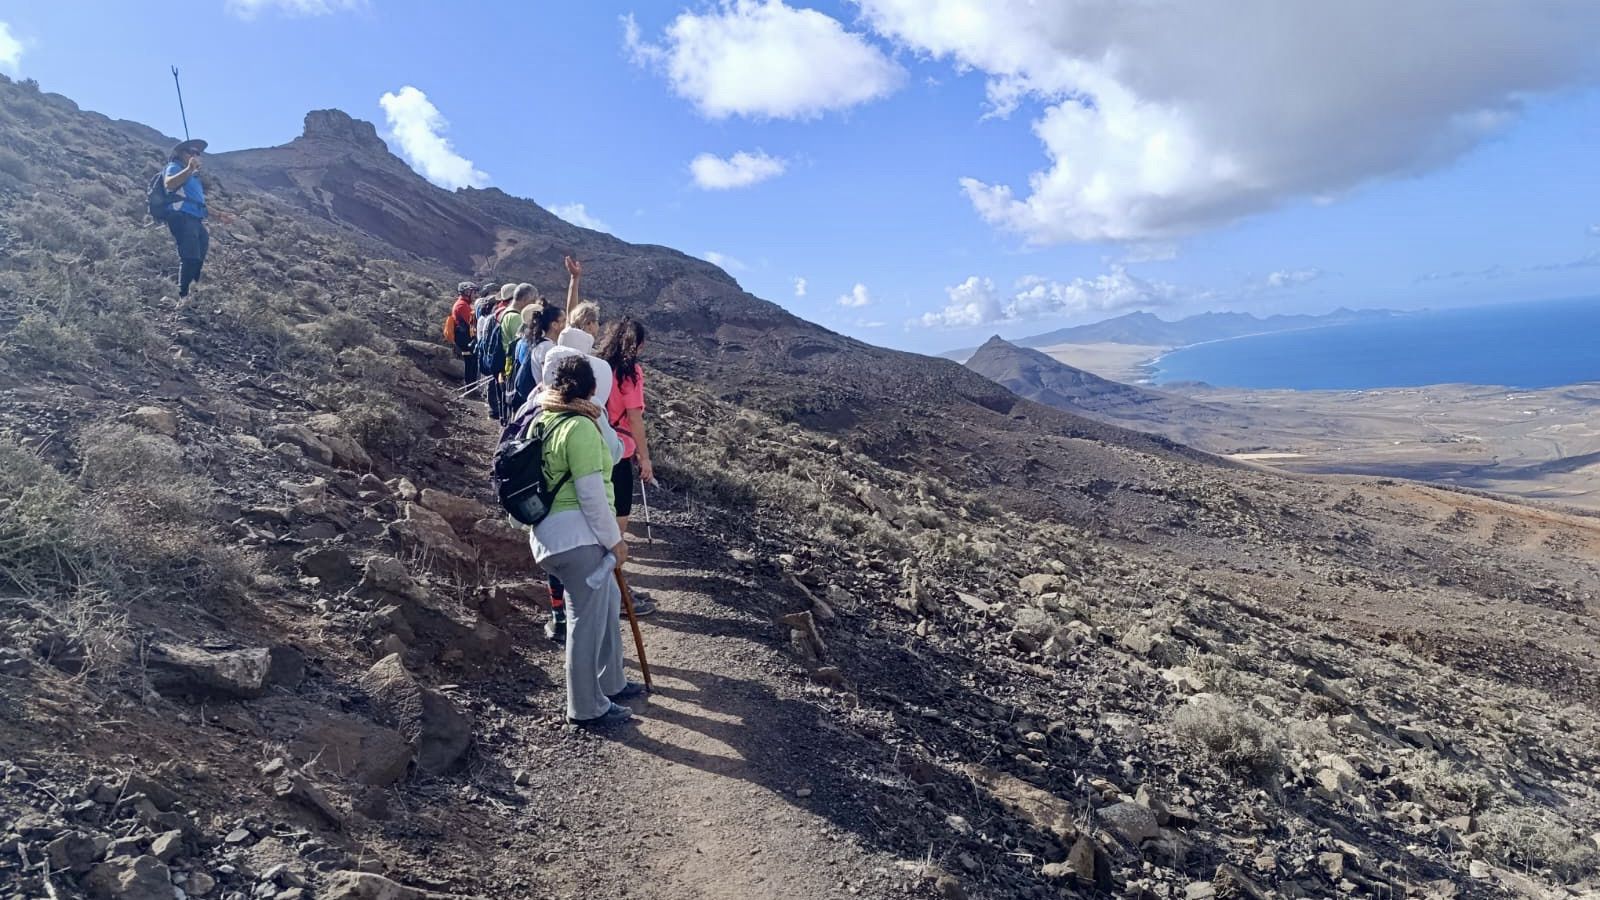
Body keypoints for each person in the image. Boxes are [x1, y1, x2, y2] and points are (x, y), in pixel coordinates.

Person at [529, 355, 643, 726]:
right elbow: (592, 495)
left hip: (548, 535)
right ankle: (586, 707)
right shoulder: (580, 427)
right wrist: (615, 542)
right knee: (584, 621)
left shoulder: (542, 420)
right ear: (591, 388)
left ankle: (611, 680)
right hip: (578, 540)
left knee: (607, 601)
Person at [598, 316, 657, 616]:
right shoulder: (629, 372)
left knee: (599, 518)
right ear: (640, 344)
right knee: (617, 526)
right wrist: (645, 458)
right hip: (618, 454)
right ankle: (618, 595)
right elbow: (635, 418)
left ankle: (613, 587)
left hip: (593, 447)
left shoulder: (597, 364)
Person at [162, 139, 210, 298]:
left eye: (197, 153)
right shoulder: (174, 167)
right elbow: (169, 184)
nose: (195, 155)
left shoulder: (193, 175)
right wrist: (189, 169)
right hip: (182, 217)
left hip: (196, 219)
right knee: (190, 257)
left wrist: (218, 214)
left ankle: (191, 295)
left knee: (199, 258)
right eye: (191, 152)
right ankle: (182, 298)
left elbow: (196, 200)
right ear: (182, 153)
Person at [450, 282, 479, 388]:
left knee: (471, 361)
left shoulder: (463, 304)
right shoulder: (462, 305)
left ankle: (471, 386)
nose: (475, 295)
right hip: (464, 338)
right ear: (467, 292)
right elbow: (472, 321)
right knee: (470, 362)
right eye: (473, 292)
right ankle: (470, 386)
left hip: (464, 337)